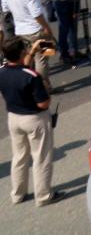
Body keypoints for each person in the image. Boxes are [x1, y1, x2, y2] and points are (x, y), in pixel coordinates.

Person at [1, 37, 60, 206]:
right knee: (41, 157)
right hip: (34, 119)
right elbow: (43, 103)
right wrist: (45, 89)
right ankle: (43, 196)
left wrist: (33, 52)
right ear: (21, 53)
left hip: (14, 118)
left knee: (19, 157)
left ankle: (17, 194)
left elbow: (21, 69)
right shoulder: (32, 76)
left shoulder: (2, 71)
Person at [1, 0, 54, 93]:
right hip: (37, 29)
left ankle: (26, 83)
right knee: (42, 59)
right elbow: (36, 13)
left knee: (27, 57)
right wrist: (47, 28)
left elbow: (6, 10)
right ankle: (43, 86)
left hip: (20, 30)